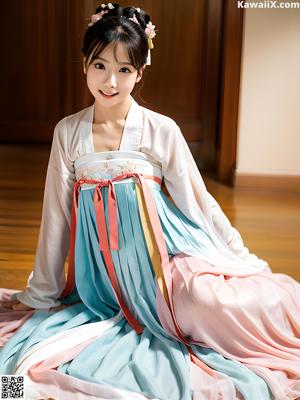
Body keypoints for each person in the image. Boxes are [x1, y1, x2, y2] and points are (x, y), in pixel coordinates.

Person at [0, 3, 299, 399]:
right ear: (84, 64)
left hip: (169, 261)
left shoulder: (161, 130)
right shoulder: (68, 133)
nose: (110, 81)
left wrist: (241, 256)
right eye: (100, 65)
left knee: (212, 303)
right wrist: (42, 292)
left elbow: (199, 202)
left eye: (124, 70)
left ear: (140, 73)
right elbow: (57, 217)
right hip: (106, 285)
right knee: (26, 366)